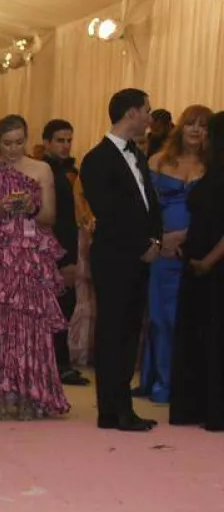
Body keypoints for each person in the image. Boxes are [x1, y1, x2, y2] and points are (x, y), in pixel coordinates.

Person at [0, 115, 70, 421]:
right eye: (6, 143)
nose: (12, 149)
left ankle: (28, 392)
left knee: (28, 325)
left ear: (27, 138)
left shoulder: (41, 169)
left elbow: (49, 216)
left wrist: (30, 208)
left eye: (19, 142)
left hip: (27, 257)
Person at [79, 89, 165, 431]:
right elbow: (109, 213)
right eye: (147, 110)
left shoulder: (138, 155)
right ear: (131, 113)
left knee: (129, 330)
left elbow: (149, 204)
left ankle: (118, 408)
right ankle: (113, 409)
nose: (150, 117)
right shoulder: (96, 159)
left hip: (140, 255)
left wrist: (155, 240)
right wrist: (142, 244)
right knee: (113, 331)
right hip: (115, 257)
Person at [138, 104, 210, 403]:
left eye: (203, 125)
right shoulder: (156, 161)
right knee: (159, 317)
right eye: (191, 123)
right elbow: (144, 210)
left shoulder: (215, 166)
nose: (195, 130)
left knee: (191, 318)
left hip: (198, 251)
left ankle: (185, 384)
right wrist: (158, 240)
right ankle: (160, 380)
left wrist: (188, 237)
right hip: (162, 251)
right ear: (180, 127)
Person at [169, 111, 224, 430]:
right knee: (199, 336)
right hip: (197, 266)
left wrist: (209, 260)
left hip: (214, 268)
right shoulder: (213, 170)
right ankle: (198, 405)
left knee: (214, 336)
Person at [40, 119, 91, 386]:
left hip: (68, 245)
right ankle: (56, 365)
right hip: (52, 249)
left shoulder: (70, 171)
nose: (66, 145)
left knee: (65, 307)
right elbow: (53, 220)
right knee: (56, 308)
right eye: (60, 140)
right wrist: (64, 258)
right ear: (46, 142)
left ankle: (60, 363)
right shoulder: (45, 171)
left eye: (69, 140)